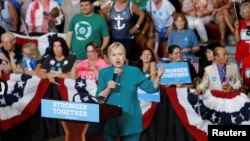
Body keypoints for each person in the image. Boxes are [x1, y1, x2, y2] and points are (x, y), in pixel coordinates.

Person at [96, 42, 164, 141]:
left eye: (120, 54)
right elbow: (100, 99)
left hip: (131, 121)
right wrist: (108, 88)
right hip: (110, 121)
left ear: (125, 55)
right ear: (109, 58)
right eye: (113, 55)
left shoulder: (134, 71)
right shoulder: (104, 73)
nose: (117, 58)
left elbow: (151, 88)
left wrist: (158, 78)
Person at [232, 1, 250, 67]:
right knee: (241, 74)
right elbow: (237, 41)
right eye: (245, 11)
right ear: (242, 13)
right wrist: (236, 28)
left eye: (249, 11)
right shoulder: (239, 23)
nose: (247, 13)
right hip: (241, 55)